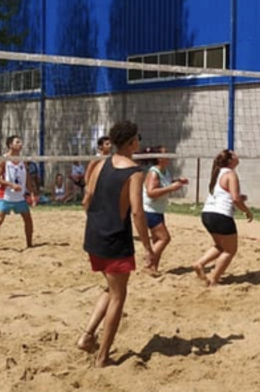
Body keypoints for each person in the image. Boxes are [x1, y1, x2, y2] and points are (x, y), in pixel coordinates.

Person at [75, 120, 154, 368]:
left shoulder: (100, 165)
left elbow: (86, 200)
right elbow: (138, 214)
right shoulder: (134, 172)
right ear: (132, 142)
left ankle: (87, 337)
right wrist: (148, 248)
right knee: (119, 296)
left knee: (110, 289)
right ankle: (102, 357)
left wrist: (98, 222)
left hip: (94, 235)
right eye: (137, 138)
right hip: (115, 239)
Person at [193, 149, 253, 287]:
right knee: (230, 250)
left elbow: (227, 194)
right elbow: (235, 199)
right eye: (234, 154)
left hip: (207, 214)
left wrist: (239, 197)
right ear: (231, 160)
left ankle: (199, 263)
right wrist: (247, 211)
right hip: (221, 215)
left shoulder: (217, 173)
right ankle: (213, 279)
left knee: (220, 246)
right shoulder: (230, 174)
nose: (237, 155)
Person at [141, 145, 189, 275]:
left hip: (158, 209)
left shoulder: (165, 171)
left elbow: (164, 184)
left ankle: (153, 269)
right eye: (165, 153)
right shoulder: (153, 172)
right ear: (158, 158)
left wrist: (177, 181)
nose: (168, 155)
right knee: (165, 238)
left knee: (157, 240)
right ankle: (148, 262)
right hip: (149, 210)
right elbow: (151, 192)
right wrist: (172, 188)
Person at [0, 135, 35, 249]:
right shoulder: (3, 160)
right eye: (17, 142)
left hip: (19, 196)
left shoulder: (22, 160)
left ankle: (29, 245)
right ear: (10, 145)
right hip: (5, 195)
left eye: (20, 142)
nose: (20, 144)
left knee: (28, 219)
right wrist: (11, 184)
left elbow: (27, 178)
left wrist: (32, 192)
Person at [82, 135, 113, 208]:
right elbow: (89, 171)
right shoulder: (97, 158)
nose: (110, 146)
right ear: (101, 147)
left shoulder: (111, 157)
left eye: (110, 143)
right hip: (96, 184)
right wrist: (87, 185)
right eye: (107, 144)